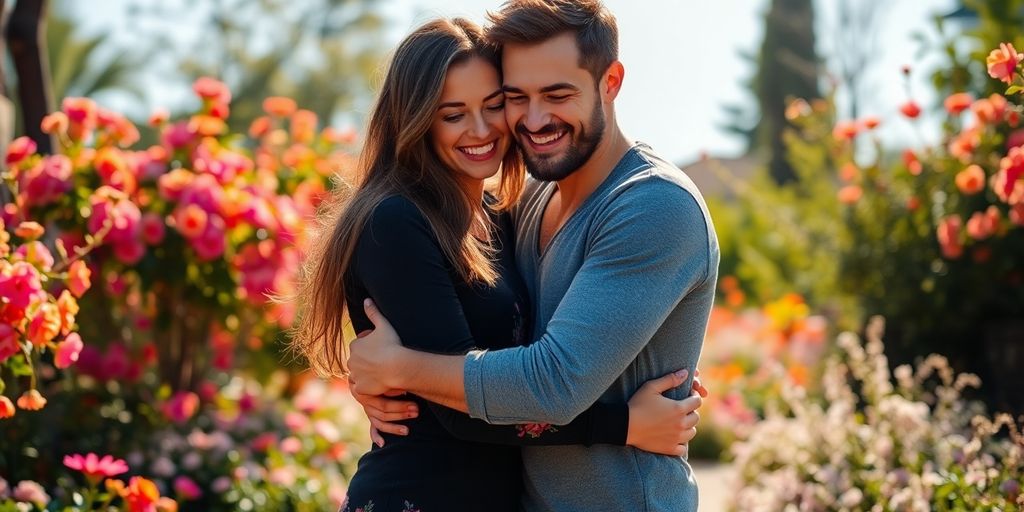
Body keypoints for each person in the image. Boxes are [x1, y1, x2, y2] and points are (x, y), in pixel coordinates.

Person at [288, 16, 704, 512]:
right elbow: (464, 407)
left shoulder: (626, 206)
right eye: (515, 97)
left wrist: (400, 368)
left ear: (609, 82)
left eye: (493, 104)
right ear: (417, 118)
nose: (521, 120)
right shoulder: (408, 219)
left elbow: (547, 379)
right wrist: (625, 424)